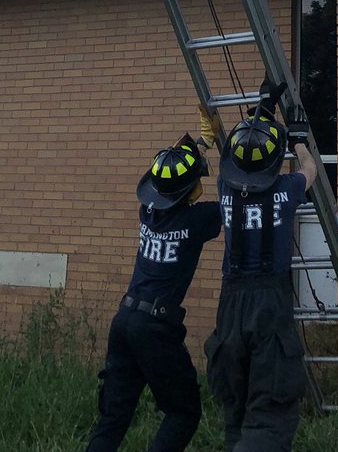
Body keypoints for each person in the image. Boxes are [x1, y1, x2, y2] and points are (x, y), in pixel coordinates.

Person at [85, 110, 222, 452]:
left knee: (113, 418)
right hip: (155, 329)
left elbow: (169, 172)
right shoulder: (199, 220)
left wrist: (202, 141)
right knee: (183, 413)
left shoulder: (147, 211)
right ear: (192, 190)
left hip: (125, 320)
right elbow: (240, 188)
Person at [205, 82, 317, 452]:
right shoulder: (286, 190)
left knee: (235, 402)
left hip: (231, 302)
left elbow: (247, 154)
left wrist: (263, 106)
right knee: (270, 407)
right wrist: (298, 138)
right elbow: (310, 169)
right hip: (270, 302)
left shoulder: (224, 187)